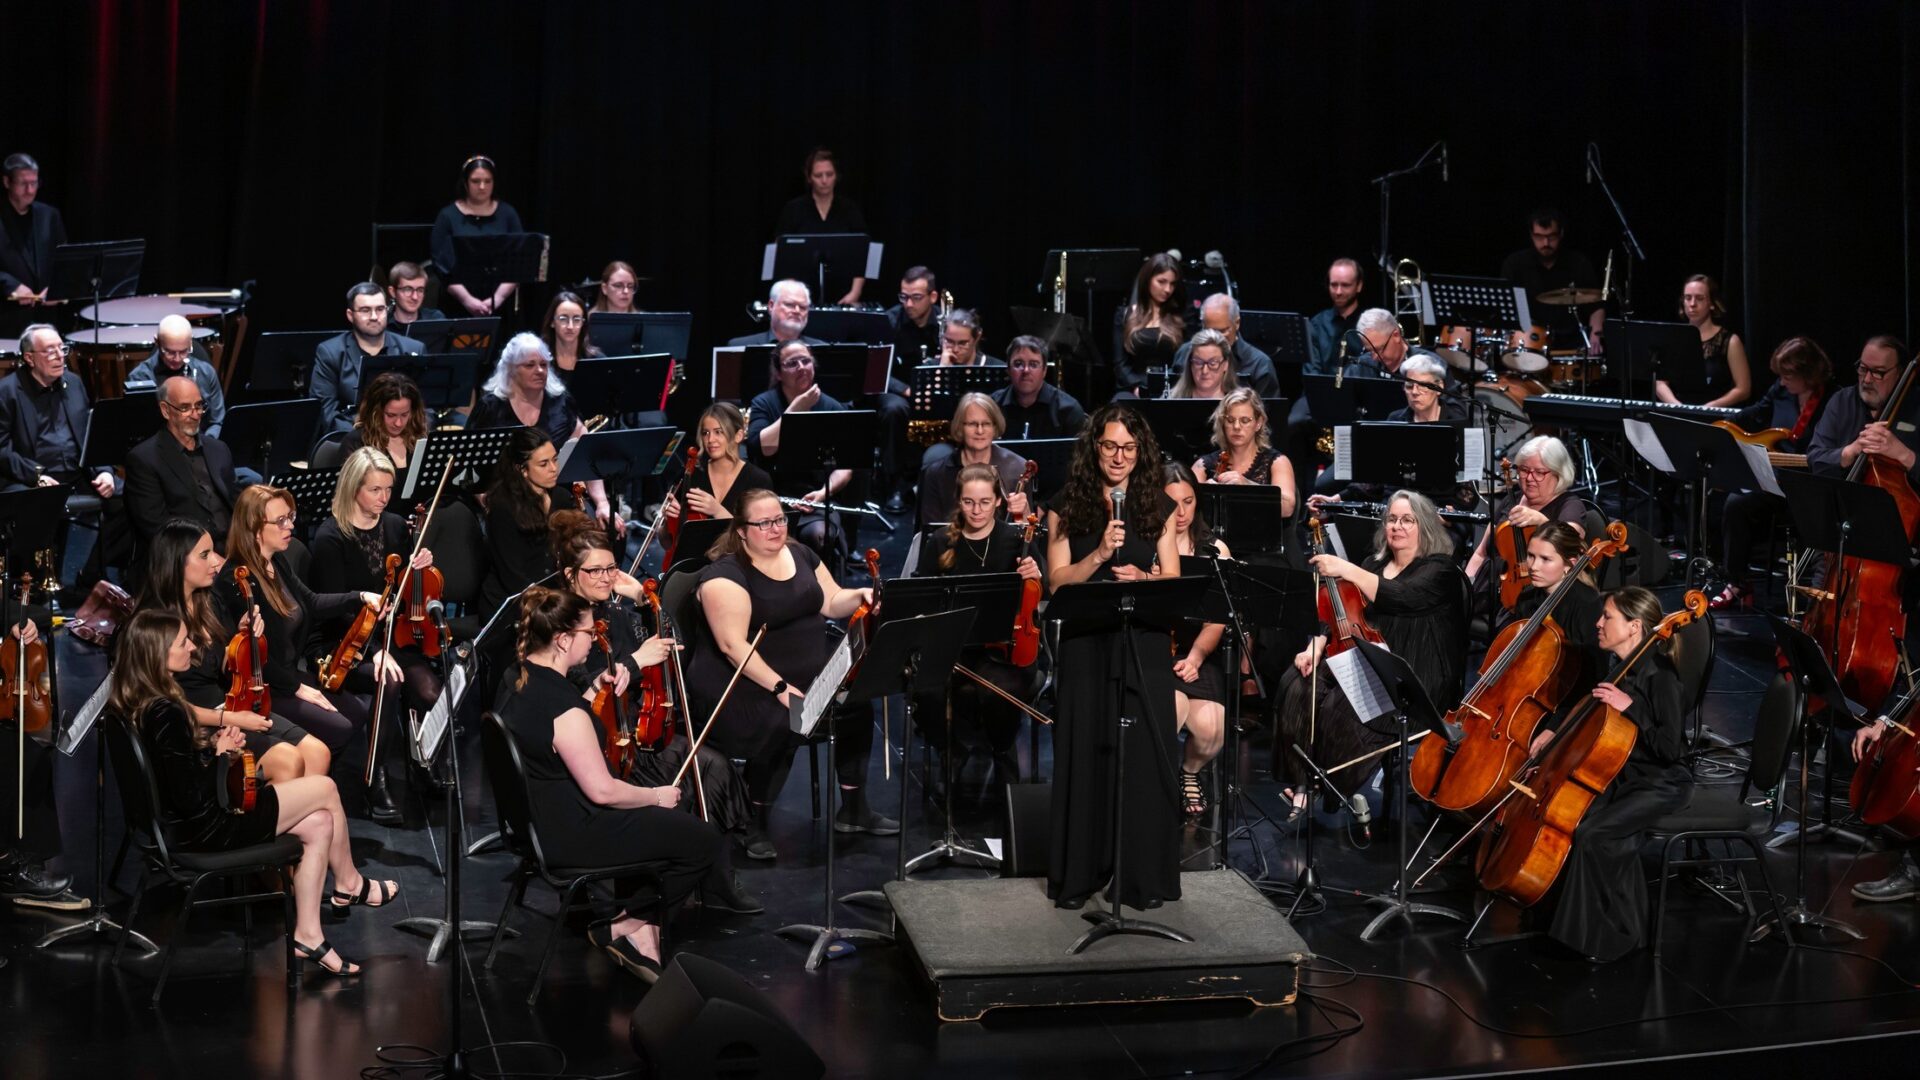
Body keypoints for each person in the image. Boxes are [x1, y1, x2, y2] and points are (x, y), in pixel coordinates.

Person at [115, 609, 400, 977]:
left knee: (318, 823)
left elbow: (175, 774)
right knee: (326, 788)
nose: (191, 647)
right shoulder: (166, 712)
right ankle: (349, 883)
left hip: (186, 825)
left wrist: (215, 744)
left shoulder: (142, 701)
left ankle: (309, 935)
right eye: (182, 642)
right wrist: (221, 757)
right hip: (206, 830)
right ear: (157, 654)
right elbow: (191, 798)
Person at [496, 587, 722, 981]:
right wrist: (657, 795)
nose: (596, 637)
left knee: (657, 823)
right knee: (701, 840)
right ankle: (627, 926)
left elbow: (555, 727)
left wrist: (594, 690)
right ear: (564, 639)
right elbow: (603, 791)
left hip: (536, 824)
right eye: (589, 631)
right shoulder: (564, 710)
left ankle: (638, 931)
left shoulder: (518, 677)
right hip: (572, 834)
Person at [547, 518, 761, 911]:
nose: (606, 577)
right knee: (685, 781)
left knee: (713, 767)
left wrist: (647, 603)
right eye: (594, 570)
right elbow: (583, 688)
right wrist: (634, 659)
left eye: (612, 567)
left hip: (640, 728)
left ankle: (715, 880)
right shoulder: (563, 618)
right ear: (570, 575)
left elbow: (672, 642)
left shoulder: (616, 606)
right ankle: (657, 887)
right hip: (603, 742)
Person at [690, 489, 895, 858]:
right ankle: (754, 820)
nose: (775, 529)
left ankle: (854, 809)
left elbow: (831, 602)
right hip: (746, 684)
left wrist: (860, 594)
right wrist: (781, 688)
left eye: (780, 520)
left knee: (855, 706)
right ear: (741, 530)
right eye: (764, 523)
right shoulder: (724, 577)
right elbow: (732, 647)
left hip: (804, 674)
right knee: (787, 721)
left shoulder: (801, 554)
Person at [1044, 404, 1183, 909]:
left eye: (1128, 447)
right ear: (1094, 447)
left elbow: (1171, 579)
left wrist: (1145, 580)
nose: (1119, 457)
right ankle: (1081, 873)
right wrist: (1100, 555)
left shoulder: (1157, 506)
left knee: (1143, 755)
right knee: (1087, 749)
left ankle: (1139, 877)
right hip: (1086, 640)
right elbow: (1057, 583)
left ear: (1140, 451)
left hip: (1141, 641)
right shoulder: (1068, 505)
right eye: (1109, 446)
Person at [1523, 586, 1691, 962]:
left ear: (1634, 627)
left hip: (1661, 783)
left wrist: (1631, 708)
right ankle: (1607, 928)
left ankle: (1608, 938)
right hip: (1624, 775)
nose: (1598, 624)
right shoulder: (1620, 667)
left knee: (1593, 834)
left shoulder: (1660, 676)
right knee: (1576, 822)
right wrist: (1555, 742)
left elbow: (1670, 749)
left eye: (1607, 617)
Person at [1274, 491, 1467, 807]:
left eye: (1408, 520)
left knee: (1341, 704)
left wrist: (1346, 569)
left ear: (1426, 527)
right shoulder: (1373, 564)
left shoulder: (1440, 569)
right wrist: (1315, 646)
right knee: (1295, 685)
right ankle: (1301, 781)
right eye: (1392, 519)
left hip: (1413, 676)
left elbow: (1402, 596)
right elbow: (1341, 616)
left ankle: (1327, 785)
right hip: (1367, 661)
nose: (1397, 526)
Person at [133, 519, 330, 784]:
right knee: (288, 761)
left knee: (318, 753)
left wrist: (241, 638)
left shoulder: (208, 601)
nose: (217, 561)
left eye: (214, 551)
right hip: (197, 722)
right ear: (177, 562)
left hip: (231, 705)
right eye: (205, 555)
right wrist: (231, 718)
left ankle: (300, 819)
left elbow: (221, 665)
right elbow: (159, 704)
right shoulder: (155, 622)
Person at [306, 448, 444, 823]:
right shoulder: (330, 537)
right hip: (342, 643)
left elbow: (404, 592)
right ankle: (374, 779)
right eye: (374, 490)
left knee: (432, 690)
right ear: (353, 489)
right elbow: (331, 610)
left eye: (388, 489)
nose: (384, 498)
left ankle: (422, 761)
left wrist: (420, 568)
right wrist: (371, 655)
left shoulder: (397, 526)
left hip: (391, 636)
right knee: (390, 682)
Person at [213, 485, 383, 757]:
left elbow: (312, 602)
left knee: (357, 713)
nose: (290, 526)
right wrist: (299, 688)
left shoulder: (277, 562)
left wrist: (360, 596)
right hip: (265, 686)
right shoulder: (236, 580)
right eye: (280, 521)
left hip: (290, 674)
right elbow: (254, 657)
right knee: (339, 727)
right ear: (255, 528)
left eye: (290, 517)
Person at [913, 463, 1044, 789]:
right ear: (959, 501)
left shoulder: (1017, 540)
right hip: (954, 648)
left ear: (999, 501)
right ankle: (950, 749)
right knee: (925, 689)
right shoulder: (942, 541)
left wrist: (1035, 575)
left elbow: (1046, 593)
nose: (977, 510)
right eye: (969, 502)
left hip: (1005, 651)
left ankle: (1002, 749)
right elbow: (921, 594)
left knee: (997, 690)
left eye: (985, 502)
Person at [1711, 337, 1833, 609]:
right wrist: (1719, 427)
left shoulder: (1832, 400)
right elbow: (1755, 413)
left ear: (1808, 375)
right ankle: (1738, 582)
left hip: (1811, 483)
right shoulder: (1781, 389)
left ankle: (1812, 591)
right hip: (1777, 477)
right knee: (1735, 503)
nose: (1783, 380)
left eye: (1789, 375)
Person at [469, 333, 619, 533]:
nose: (539, 370)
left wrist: (602, 502)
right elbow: (468, 465)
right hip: (507, 501)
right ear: (511, 370)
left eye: (544, 364)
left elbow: (587, 451)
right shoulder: (491, 407)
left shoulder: (561, 402)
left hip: (558, 498)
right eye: (529, 365)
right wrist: (485, 501)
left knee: (604, 529)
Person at [746, 341, 855, 565]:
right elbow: (763, 448)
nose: (802, 367)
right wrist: (795, 409)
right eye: (792, 363)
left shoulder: (832, 407)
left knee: (819, 534)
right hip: (770, 497)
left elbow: (845, 467)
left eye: (806, 361)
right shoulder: (764, 403)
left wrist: (823, 493)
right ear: (778, 373)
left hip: (814, 498)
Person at [1163, 463, 1229, 817]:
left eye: (1188, 501)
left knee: (1211, 730)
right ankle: (1154, 782)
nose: (1182, 512)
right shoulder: (1145, 546)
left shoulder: (1213, 548)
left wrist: (1196, 658)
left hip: (1199, 651)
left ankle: (1188, 772)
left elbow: (1218, 616)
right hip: (1157, 648)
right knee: (1173, 708)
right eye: (1173, 503)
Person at [123, 375, 237, 575]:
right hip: (182, 561)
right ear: (165, 410)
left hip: (230, 550)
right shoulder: (144, 459)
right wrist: (208, 557)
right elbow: (158, 529)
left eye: (199, 406)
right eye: (185, 408)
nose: (195, 415)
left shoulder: (219, 449)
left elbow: (236, 504)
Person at [1463, 435, 1597, 600]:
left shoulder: (1570, 505)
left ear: (1559, 474)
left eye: (1540, 472)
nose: (1530, 478)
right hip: (1489, 588)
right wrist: (1466, 588)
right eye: (1524, 470)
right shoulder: (1511, 499)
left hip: (1534, 597)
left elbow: (1572, 541)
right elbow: (1481, 553)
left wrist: (1542, 521)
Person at [0, 325, 115, 498]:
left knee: (133, 496)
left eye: (62, 349)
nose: (60, 356)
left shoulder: (74, 383)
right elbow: (2, 450)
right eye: (50, 351)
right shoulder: (7, 392)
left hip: (79, 475)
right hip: (30, 479)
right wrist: (36, 476)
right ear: (29, 358)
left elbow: (91, 434)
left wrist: (104, 472)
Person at [1501, 521, 1606, 704]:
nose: (1533, 566)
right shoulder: (1527, 598)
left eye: (1545, 559)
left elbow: (1592, 676)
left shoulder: (1587, 603)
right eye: (1531, 556)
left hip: (1566, 701)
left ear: (1570, 564)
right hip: (1526, 693)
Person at [478, 427, 581, 613]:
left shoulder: (562, 497)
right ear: (522, 470)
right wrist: (553, 607)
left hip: (554, 595)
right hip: (514, 603)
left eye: (554, 460)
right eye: (543, 464)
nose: (553, 469)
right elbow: (513, 576)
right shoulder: (503, 508)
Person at [309, 282, 425, 435]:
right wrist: (365, 436)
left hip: (404, 437)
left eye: (380, 309)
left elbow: (425, 406)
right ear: (350, 315)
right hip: (352, 440)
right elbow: (325, 411)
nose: (374, 317)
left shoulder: (413, 349)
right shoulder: (330, 352)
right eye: (365, 310)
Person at [1499, 208, 1606, 355]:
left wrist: (1596, 334)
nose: (1546, 243)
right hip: (1529, 344)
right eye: (1539, 237)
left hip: (1570, 345)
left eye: (1552, 236)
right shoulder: (1515, 264)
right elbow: (1506, 308)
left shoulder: (1578, 263)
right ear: (1531, 235)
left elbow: (1596, 307)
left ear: (1561, 233)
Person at [431, 155, 525, 318]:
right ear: (465, 183)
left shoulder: (508, 214)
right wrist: (467, 300)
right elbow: (440, 265)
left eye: (488, 181)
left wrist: (498, 298)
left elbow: (519, 260)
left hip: (501, 304)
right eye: (476, 181)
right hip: (458, 303)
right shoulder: (447, 216)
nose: (482, 186)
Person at [916, 393, 1030, 527]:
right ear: (960, 427)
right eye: (972, 424)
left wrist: (1025, 512)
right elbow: (929, 531)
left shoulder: (1017, 468)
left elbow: (1027, 534)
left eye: (986, 424)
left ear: (994, 427)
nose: (980, 431)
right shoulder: (936, 473)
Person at [773, 148, 867, 305]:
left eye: (829, 175)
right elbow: (780, 253)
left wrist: (855, 292)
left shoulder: (849, 209)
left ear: (836, 176)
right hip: (801, 297)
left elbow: (866, 252)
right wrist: (792, 293)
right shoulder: (794, 209)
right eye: (818, 175)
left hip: (844, 296)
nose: (824, 180)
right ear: (809, 178)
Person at [663, 401, 774, 529]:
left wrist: (717, 511)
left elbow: (762, 536)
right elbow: (667, 542)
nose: (710, 440)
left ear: (738, 436)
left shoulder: (759, 480)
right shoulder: (690, 474)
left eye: (718, 432)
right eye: (705, 433)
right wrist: (668, 523)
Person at [1194, 388, 1296, 518]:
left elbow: (1287, 508)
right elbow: (1180, 507)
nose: (1236, 427)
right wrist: (1203, 495)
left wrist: (1247, 486)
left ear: (1258, 423)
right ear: (1222, 423)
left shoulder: (1277, 462)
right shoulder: (1203, 465)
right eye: (1230, 420)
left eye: (1245, 420)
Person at [1656, 275, 1751, 408]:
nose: (1692, 304)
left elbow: (1743, 389)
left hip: (1714, 417)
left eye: (1699, 298)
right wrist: (1678, 406)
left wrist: (1710, 407)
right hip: (1678, 414)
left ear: (1712, 303)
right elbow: (1660, 383)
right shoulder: (1673, 338)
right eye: (1688, 298)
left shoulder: (1729, 341)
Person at [124, 315, 227, 436]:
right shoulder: (140, 377)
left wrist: (206, 445)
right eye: (170, 352)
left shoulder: (206, 372)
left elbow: (217, 422)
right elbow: (140, 430)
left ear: (190, 342)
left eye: (184, 351)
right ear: (157, 342)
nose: (177, 359)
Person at [0, 153, 67, 337]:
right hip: (7, 320)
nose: (30, 190)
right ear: (7, 182)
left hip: (46, 321)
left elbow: (64, 260)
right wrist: (9, 285)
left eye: (34, 183)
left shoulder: (49, 216)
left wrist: (56, 287)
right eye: (23, 184)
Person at [1170, 294, 1280, 398]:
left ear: (1237, 323)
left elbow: (1267, 414)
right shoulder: (1185, 353)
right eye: (1208, 330)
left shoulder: (1259, 365)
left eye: (1222, 331)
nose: (1215, 337)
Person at [1112, 252, 1186, 397]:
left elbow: (1183, 362)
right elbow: (1120, 363)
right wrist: (1137, 388)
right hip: (1133, 387)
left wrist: (1167, 386)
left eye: (1172, 284)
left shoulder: (1179, 316)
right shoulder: (1125, 314)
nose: (1168, 290)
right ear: (1147, 280)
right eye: (1162, 281)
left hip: (1170, 387)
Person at [339, 370, 429, 472]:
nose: (398, 423)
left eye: (404, 415)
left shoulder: (420, 438)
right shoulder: (356, 442)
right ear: (375, 412)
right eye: (391, 415)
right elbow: (351, 486)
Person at [1306, 258, 1365, 376]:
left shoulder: (1369, 324)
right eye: (1333, 285)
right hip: (1322, 391)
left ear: (1359, 286)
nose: (1338, 292)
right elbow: (1312, 371)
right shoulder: (1317, 323)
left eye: (1345, 285)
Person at [727, 280, 825, 349]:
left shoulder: (820, 348)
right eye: (789, 304)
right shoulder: (739, 346)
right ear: (771, 306)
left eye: (803, 307)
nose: (797, 310)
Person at [540, 289, 604, 395]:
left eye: (576, 319)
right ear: (552, 322)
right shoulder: (539, 360)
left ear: (583, 323)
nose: (570, 326)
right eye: (563, 318)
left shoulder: (597, 361)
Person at [1385, 353, 1467, 424]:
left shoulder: (1457, 420)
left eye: (1423, 385)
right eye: (1409, 386)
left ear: (1439, 387)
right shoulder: (1395, 420)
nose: (1414, 392)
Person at [885, 266, 943, 365]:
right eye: (904, 297)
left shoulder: (945, 323)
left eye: (916, 297)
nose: (909, 304)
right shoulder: (889, 322)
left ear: (933, 297)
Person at [1165, 328, 1240, 400]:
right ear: (1190, 365)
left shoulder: (1240, 403)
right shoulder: (1171, 400)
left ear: (1225, 365)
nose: (1205, 371)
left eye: (1213, 363)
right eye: (1198, 363)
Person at [385, 261, 443, 329]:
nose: (415, 297)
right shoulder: (382, 325)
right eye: (408, 289)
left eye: (420, 290)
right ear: (393, 292)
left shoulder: (436, 320)